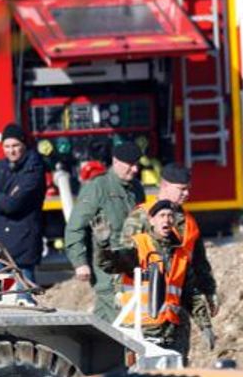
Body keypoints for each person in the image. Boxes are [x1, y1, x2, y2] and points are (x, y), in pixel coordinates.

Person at [120, 163, 218, 352]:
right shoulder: (142, 216)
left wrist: (210, 292)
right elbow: (122, 262)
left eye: (188, 189)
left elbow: (199, 265)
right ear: (164, 185)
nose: (186, 194)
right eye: (181, 189)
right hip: (144, 315)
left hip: (175, 314)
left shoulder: (189, 223)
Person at [99, 199, 197, 360]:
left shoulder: (180, 253)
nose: (166, 220)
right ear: (151, 220)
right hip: (140, 329)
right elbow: (111, 263)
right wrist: (103, 247)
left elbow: (190, 292)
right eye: (161, 215)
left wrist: (204, 322)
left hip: (170, 330)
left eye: (170, 216)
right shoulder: (139, 246)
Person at [64, 141, 146, 322]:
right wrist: (80, 262)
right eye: (130, 165)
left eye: (137, 165)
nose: (135, 169)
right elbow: (75, 227)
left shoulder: (136, 190)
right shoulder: (98, 187)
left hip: (131, 268)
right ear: (116, 162)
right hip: (107, 271)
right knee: (122, 321)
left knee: (106, 324)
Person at [0, 123, 47, 285]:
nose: (11, 150)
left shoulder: (34, 170)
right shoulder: (2, 168)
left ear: (24, 145)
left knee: (24, 297)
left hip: (23, 247)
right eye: (7, 146)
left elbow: (12, 205)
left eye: (16, 145)